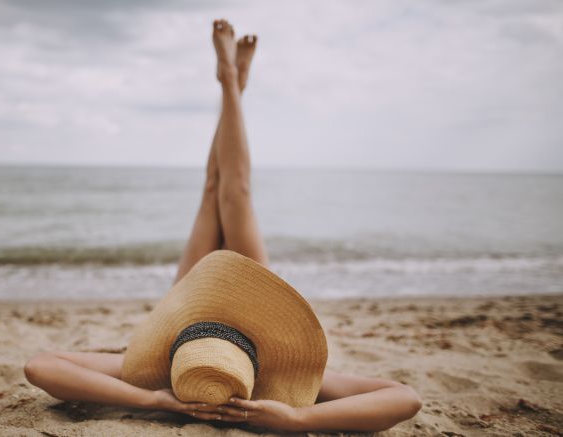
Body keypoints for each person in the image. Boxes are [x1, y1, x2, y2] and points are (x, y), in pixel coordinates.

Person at [23, 19, 422, 433]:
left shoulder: (154, 373)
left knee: (214, 188)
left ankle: (231, 81)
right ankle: (232, 83)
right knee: (237, 193)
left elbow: (40, 366)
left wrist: (152, 398)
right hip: (254, 312)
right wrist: (297, 415)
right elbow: (404, 398)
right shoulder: (273, 380)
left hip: (190, 318)